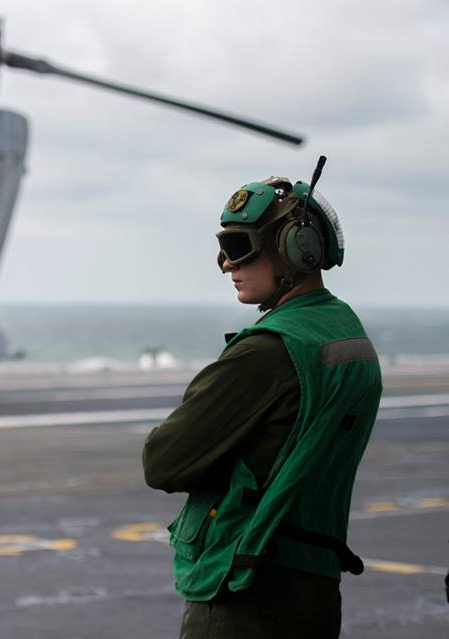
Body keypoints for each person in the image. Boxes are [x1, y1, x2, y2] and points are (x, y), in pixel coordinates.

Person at [142, 169, 382, 639]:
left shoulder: (267, 351)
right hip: (313, 588)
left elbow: (162, 461)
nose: (226, 264)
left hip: (245, 593)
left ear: (295, 248)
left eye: (238, 247)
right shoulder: (349, 337)